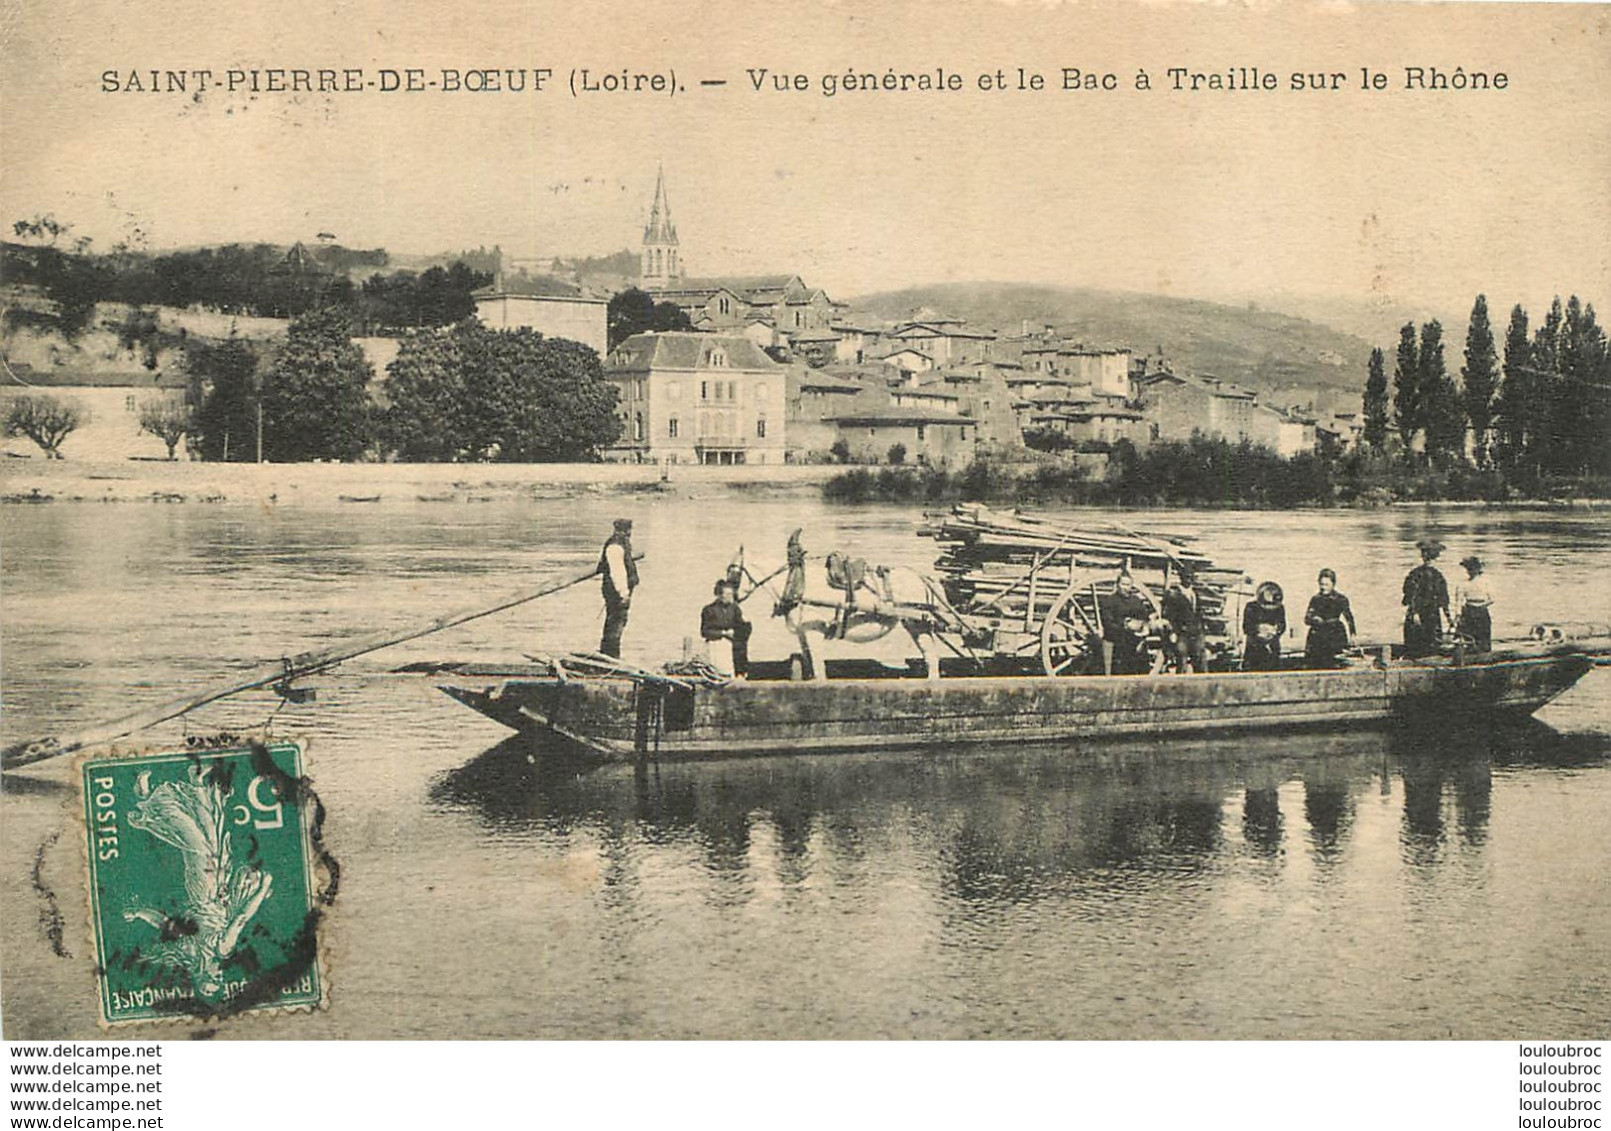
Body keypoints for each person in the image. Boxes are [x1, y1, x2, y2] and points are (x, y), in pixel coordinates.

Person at [1099, 570, 1155, 675]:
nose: (1125, 587)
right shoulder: (1110, 601)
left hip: (1135, 639)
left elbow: (1145, 617)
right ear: (1117, 585)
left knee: (1140, 665)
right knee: (1120, 667)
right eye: (1123, 584)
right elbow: (1107, 622)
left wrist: (1144, 627)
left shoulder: (1136, 600)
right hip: (1116, 639)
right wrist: (1125, 625)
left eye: (1128, 585)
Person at [1402, 538, 1450, 658]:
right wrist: (1449, 619)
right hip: (1425, 614)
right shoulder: (1434, 575)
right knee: (1427, 644)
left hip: (1425, 614)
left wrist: (1413, 613)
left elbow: (1409, 596)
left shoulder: (1417, 574)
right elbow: (1444, 601)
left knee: (1419, 645)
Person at [598, 518, 638, 658]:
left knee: (616, 622)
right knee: (615, 623)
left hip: (616, 591)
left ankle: (609, 655)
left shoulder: (620, 544)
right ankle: (610, 656)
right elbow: (617, 572)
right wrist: (623, 593)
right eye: (628, 531)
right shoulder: (615, 546)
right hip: (616, 592)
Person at [1303, 568, 1357, 668]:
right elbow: (1306, 618)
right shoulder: (1316, 599)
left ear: (1333, 584)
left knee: (1335, 661)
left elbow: (1349, 617)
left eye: (1326, 585)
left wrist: (1353, 634)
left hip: (1335, 633)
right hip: (1318, 635)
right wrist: (1314, 619)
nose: (1323, 587)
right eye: (1321, 584)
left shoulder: (1340, 599)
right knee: (1314, 663)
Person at [700, 579, 752, 677]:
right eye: (727, 594)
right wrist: (723, 633)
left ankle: (740, 673)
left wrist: (746, 624)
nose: (730, 597)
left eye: (731, 595)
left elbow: (741, 627)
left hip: (732, 644)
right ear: (719, 595)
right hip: (716, 644)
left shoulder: (734, 609)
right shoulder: (709, 610)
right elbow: (705, 631)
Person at [1161, 568, 1209, 673]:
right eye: (1187, 577)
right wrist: (1173, 632)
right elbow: (1168, 616)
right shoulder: (1173, 595)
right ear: (1181, 577)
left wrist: (1201, 628)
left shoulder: (1195, 594)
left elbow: (1198, 613)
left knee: (1200, 660)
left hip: (1196, 632)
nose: (1189, 580)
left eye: (1191, 577)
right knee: (1182, 661)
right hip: (1181, 633)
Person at [1241, 581, 1287, 671]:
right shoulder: (1251, 607)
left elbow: (1283, 626)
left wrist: (1275, 631)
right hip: (1254, 649)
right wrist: (1259, 630)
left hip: (1272, 648)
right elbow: (1246, 627)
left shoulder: (1280, 608)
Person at [1454, 555, 1493, 652]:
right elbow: (1458, 601)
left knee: (1483, 639)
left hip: (1481, 611)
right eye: (1468, 568)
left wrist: (1481, 606)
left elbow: (1492, 599)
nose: (1470, 571)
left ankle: (1484, 656)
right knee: (1468, 638)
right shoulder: (1462, 584)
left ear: (1478, 569)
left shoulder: (1485, 582)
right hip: (1468, 612)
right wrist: (1458, 615)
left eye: (1473, 568)